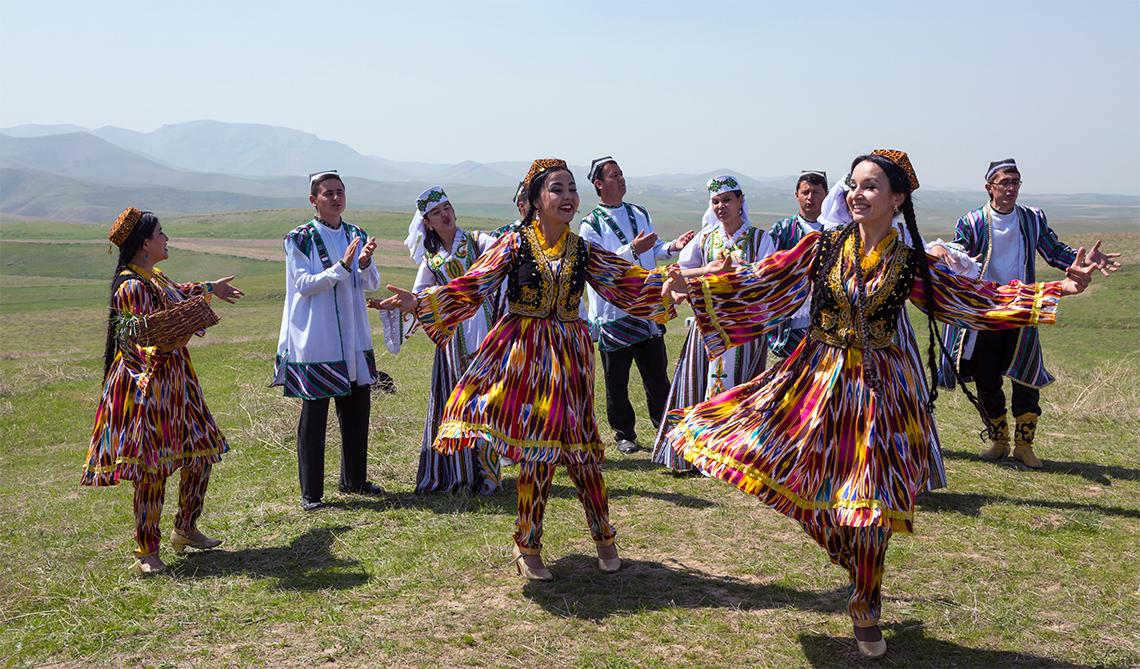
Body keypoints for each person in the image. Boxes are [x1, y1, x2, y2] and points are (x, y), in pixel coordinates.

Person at [659, 150, 1096, 658]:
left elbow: (974, 298)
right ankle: (848, 558)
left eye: (870, 187)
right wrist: (692, 284)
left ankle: (866, 605)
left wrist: (1060, 287)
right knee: (804, 483)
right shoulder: (821, 248)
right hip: (815, 382)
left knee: (871, 505)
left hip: (879, 392)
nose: (856, 194)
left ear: (897, 199)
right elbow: (765, 279)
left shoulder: (911, 263)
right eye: (853, 185)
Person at [377, 158, 673, 580]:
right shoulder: (513, 245)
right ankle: (528, 545)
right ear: (536, 199)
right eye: (557, 189)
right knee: (537, 450)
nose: (567, 196)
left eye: (571, 188)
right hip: (527, 355)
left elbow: (624, 279)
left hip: (571, 355)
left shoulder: (583, 249)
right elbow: (473, 284)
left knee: (583, 446)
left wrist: (670, 283)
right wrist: (422, 302)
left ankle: (604, 536)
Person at [82, 207, 244, 574]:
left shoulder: (153, 276)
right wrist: (177, 335)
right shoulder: (131, 286)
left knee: (201, 452)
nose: (166, 238)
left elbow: (179, 294)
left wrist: (209, 289)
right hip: (146, 386)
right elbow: (146, 338)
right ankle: (146, 549)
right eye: (161, 234)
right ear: (144, 244)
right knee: (152, 470)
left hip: (176, 383)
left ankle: (185, 529)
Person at [937, 159, 1121, 468]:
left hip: (1024, 306)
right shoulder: (972, 221)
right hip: (986, 311)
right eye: (1004, 182)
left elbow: (1053, 250)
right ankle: (999, 441)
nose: (1011, 188)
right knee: (987, 377)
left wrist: (1081, 260)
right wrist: (945, 254)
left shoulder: (1032, 218)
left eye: (1015, 182)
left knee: (1026, 375)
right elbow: (960, 254)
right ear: (989, 188)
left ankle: (1024, 445)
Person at [273, 170, 384, 511]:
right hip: (317, 335)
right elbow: (304, 284)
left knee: (356, 407)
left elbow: (371, 283)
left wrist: (363, 263)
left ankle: (354, 479)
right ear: (314, 200)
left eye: (340, 191)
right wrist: (342, 266)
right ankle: (311, 493)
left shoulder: (356, 233)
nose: (336, 198)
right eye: (328, 193)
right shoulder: (299, 238)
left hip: (353, 334)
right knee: (315, 414)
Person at [650, 175, 773, 472]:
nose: (722, 206)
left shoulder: (759, 238)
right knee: (700, 386)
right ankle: (697, 454)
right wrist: (688, 283)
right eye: (716, 201)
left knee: (739, 391)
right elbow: (680, 271)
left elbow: (767, 278)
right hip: (707, 329)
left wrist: (735, 278)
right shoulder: (704, 239)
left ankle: (733, 456)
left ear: (741, 201)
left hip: (743, 329)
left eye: (727, 200)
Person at [580, 156, 694, 454]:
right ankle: (624, 434)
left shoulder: (639, 212)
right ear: (599, 184)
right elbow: (600, 264)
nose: (621, 179)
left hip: (647, 308)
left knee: (656, 372)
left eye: (621, 174)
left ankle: (664, 426)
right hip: (613, 310)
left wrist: (672, 247)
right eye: (614, 175)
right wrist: (632, 249)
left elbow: (652, 249)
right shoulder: (589, 224)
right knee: (616, 378)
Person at [393, 185, 502, 495]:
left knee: (488, 403)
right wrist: (404, 305)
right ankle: (462, 473)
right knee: (460, 405)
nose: (445, 215)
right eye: (436, 212)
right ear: (427, 222)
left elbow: (507, 255)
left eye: (447, 208)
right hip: (454, 342)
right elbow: (417, 297)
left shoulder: (480, 242)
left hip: (487, 330)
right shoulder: (432, 260)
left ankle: (491, 476)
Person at [766, 170, 829, 360]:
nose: (810, 198)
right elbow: (767, 268)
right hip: (790, 322)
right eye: (805, 192)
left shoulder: (837, 230)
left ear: (826, 195)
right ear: (797, 196)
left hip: (829, 319)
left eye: (816, 192)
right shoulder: (781, 230)